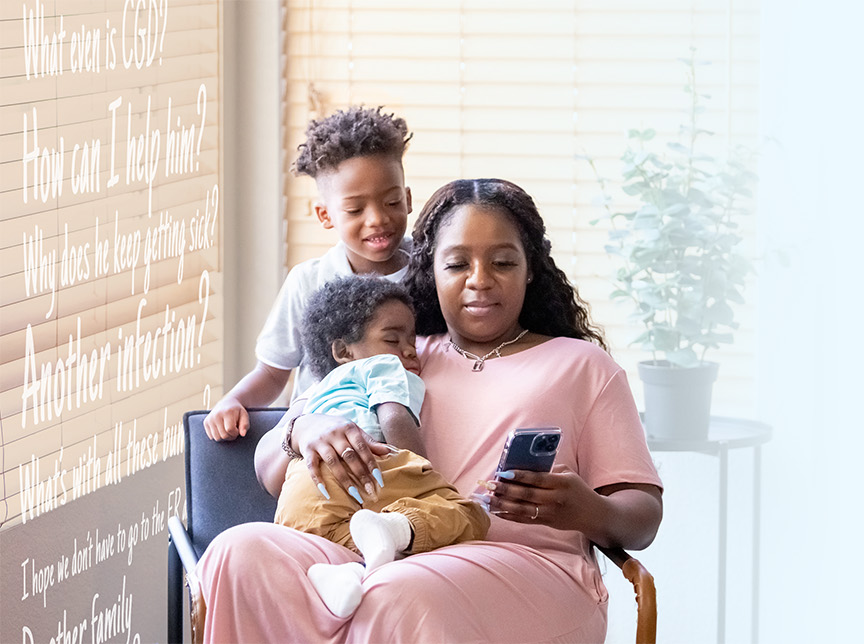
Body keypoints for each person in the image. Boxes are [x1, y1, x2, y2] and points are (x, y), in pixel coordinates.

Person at [197, 179, 663, 642]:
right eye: (457, 263)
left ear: (531, 269)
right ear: (431, 271)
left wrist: (590, 509)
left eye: (503, 262)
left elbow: (642, 516)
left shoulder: (584, 367)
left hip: (528, 569)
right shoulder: (391, 354)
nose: (479, 279)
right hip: (374, 554)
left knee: (396, 592)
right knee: (237, 551)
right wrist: (302, 427)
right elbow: (268, 470)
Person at [275, 275, 489, 619]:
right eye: (393, 339)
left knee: (349, 541)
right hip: (366, 465)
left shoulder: (316, 390)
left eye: (412, 341)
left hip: (302, 490)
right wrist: (420, 469)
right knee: (469, 515)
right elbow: (393, 415)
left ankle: (340, 573)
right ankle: (395, 526)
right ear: (344, 351)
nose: (407, 350)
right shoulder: (382, 366)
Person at [204, 106, 414, 441]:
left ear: (407, 199)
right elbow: (273, 373)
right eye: (355, 209)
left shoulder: (431, 271)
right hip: (322, 446)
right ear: (325, 215)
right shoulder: (309, 282)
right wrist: (234, 401)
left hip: (402, 440)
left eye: (391, 203)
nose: (377, 219)